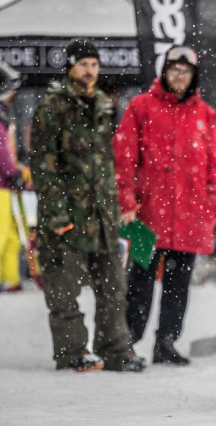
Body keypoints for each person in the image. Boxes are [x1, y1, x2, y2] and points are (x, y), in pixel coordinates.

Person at [30, 39, 145, 372]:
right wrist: (56, 214)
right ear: (70, 67)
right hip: (67, 215)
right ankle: (72, 352)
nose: (90, 70)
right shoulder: (51, 106)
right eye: (84, 64)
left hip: (102, 215)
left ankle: (115, 351)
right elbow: (43, 165)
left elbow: (109, 163)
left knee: (113, 288)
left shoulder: (103, 106)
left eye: (94, 64)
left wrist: (117, 205)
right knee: (64, 289)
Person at [114, 45, 216, 365]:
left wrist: (210, 206)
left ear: (193, 75)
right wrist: (127, 202)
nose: (179, 76)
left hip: (190, 218)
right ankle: (128, 341)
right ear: (164, 71)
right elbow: (123, 161)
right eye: (174, 69)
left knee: (178, 284)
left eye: (185, 71)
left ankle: (166, 342)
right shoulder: (140, 106)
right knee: (139, 281)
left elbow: (215, 167)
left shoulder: (205, 113)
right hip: (145, 216)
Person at [0, 62, 29, 293]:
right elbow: (3, 153)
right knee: (2, 234)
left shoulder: (3, 116)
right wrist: (14, 172)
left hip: (5, 185)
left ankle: (10, 278)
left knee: (11, 234)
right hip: (1, 185)